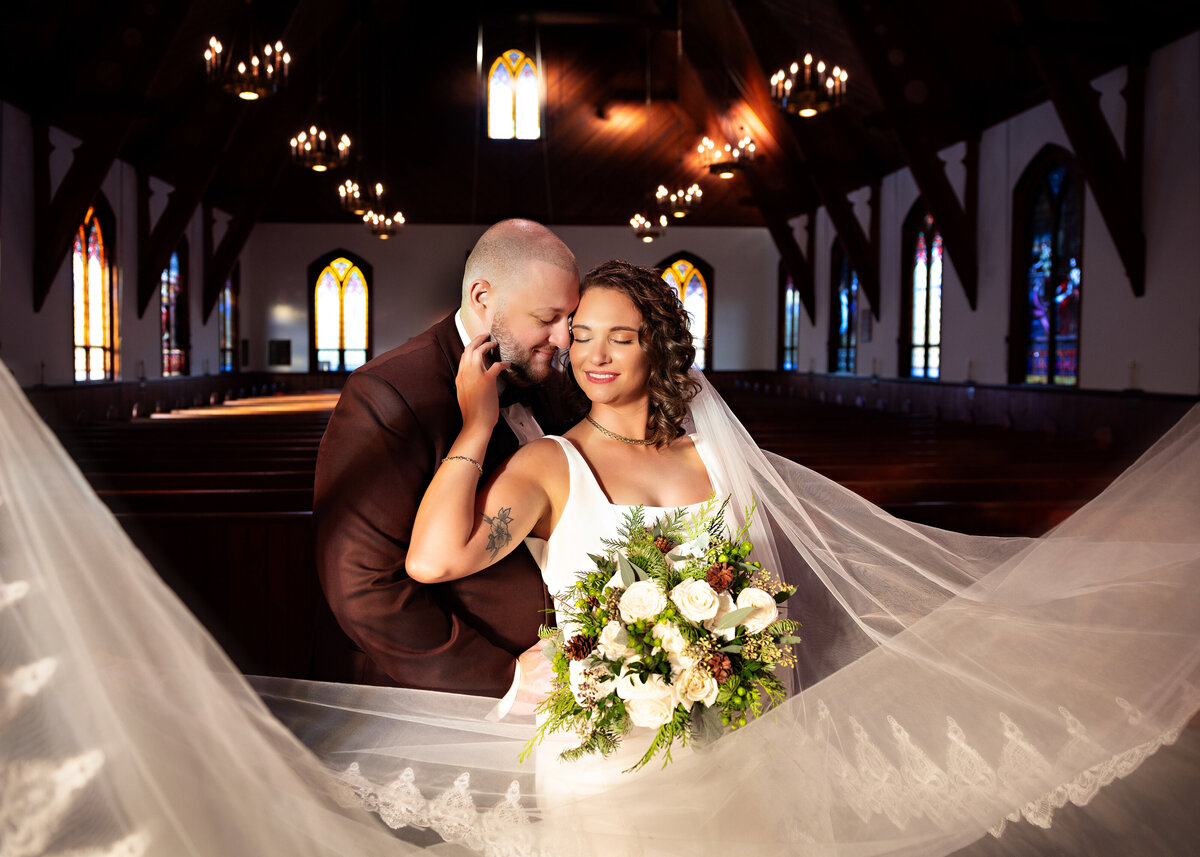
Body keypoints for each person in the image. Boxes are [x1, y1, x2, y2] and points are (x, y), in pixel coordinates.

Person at [2, 260, 1199, 857]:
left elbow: (764, 588)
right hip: (601, 755)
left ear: (659, 347)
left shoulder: (714, 459)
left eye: (622, 338)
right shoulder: (546, 462)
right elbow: (428, 558)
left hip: (730, 731)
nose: (597, 356)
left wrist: (737, 655)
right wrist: (474, 430)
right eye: (581, 338)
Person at [313, 218, 579, 699]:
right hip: (452, 699)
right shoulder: (389, 392)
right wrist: (505, 679)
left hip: (570, 683)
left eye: (570, 320)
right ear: (482, 297)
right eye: (547, 318)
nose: (564, 340)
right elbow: (364, 587)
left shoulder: (550, 383)